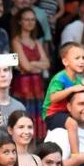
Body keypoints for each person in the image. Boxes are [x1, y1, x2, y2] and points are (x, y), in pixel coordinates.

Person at [43, 43, 84, 166]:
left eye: (83, 58)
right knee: (72, 124)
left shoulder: (79, 79)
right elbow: (53, 97)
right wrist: (72, 89)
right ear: (65, 61)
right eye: (77, 58)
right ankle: (77, 159)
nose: (81, 61)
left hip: (68, 112)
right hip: (53, 114)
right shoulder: (60, 78)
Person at [11, 8, 50, 141]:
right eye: (26, 19)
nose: (30, 22)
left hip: (37, 86)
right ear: (20, 22)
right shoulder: (16, 41)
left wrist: (31, 64)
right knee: (25, 115)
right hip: (23, 86)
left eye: (32, 19)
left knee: (39, 115)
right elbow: (25, 66)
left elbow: (47, 63)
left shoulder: (37, 41)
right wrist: (37, 64)